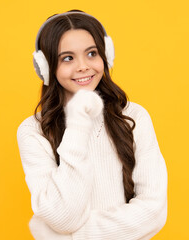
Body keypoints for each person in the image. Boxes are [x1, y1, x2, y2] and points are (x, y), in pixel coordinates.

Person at [17, 10, 168, 240]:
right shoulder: (33, 132)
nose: (83, 66)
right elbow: (63, 216)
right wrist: (78, 122)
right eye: (67, 58)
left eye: (91, 53)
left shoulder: (135, 116)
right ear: (46, 67)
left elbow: (153, 211)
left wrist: (67, 237)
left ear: (106, 56)